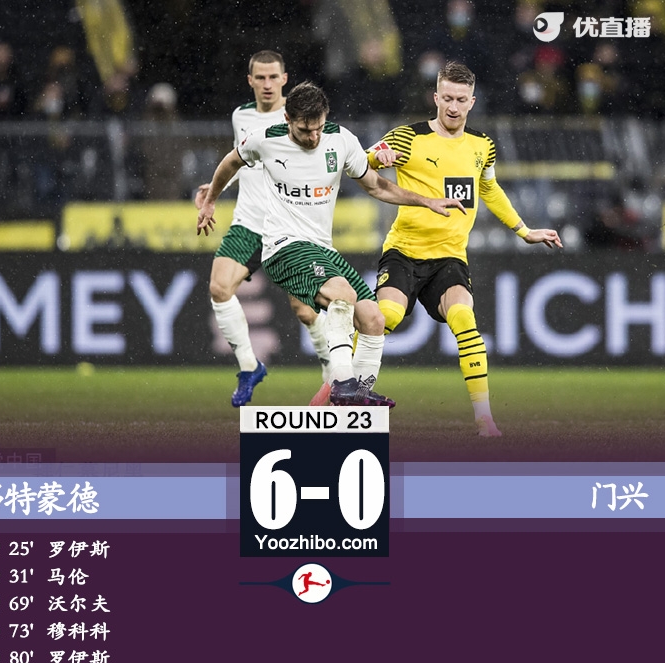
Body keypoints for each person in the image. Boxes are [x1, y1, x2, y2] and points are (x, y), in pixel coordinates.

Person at [197, 80, 464, 408]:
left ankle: (359, 393)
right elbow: (231, 162)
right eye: (304, 130)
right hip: (283, 246)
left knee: (373, 318)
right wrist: (211, 199)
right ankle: (342, 383)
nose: (313, 137)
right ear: (287, 119)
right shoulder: (264, 140)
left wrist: (426, 201)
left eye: (318, 129)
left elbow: (377, 186)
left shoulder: (342, 140)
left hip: (323, 249)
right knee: (343, 294)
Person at [367, 61, 563, 436]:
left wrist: (524, 231)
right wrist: (378, 156)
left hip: (450, 258)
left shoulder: (482, 146)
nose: (453, 107)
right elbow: (363, 160)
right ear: (435, 98)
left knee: (464, 319)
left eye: (461, 100)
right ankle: (340, 389)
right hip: (404, 252)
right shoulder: (408, 138)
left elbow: (488, 188)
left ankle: (484, 419)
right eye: (447, 99)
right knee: (385, 316)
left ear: (472, 102)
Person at [194, 51, 331, 408]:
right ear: (250, 80)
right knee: (219, 287)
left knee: (305, 310)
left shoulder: (302, 117)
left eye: (273, 77)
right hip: (250, 222)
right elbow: (240, 161)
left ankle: (332, 372)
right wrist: (214, 190)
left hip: (290, 227)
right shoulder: (241, 116)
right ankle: (249, 367)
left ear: (285, 79)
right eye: (261, 78)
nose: (268, 84)